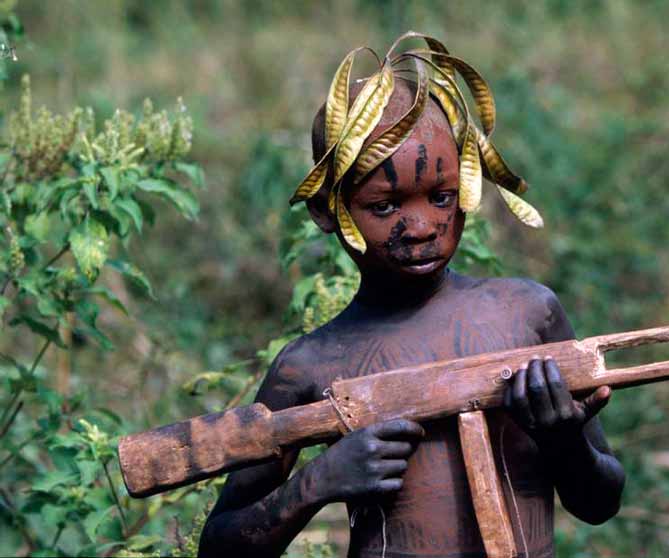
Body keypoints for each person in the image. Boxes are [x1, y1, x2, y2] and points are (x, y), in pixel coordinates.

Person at [199, 34, 625, 558]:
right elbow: (219, 548)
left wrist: (565, 441)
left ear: (466, 186)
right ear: (327, 213)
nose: (422, 226)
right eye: (385, 206)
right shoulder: (310, 366)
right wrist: (316, 484)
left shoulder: (527, 315)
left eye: (441, 197)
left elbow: (600, 502)